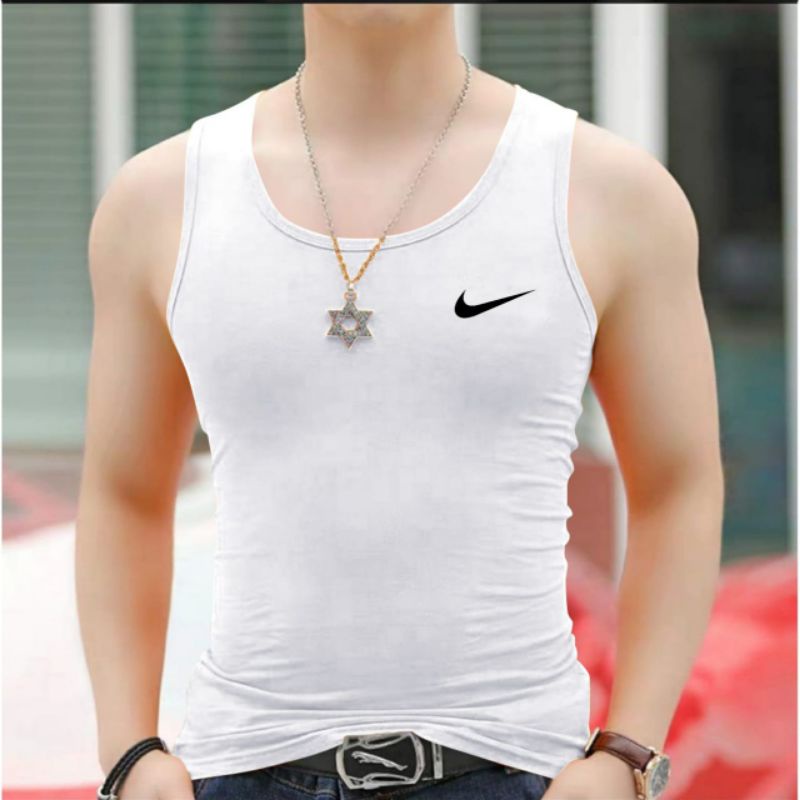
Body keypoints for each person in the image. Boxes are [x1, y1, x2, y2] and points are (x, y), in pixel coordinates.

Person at [76, 4, 724, 800]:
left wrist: (627, 758)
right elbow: (124, 493)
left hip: (518, 766)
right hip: (242, 764)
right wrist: (129, 753)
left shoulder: (609, 192)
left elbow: (678, 486)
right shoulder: (163, 200)